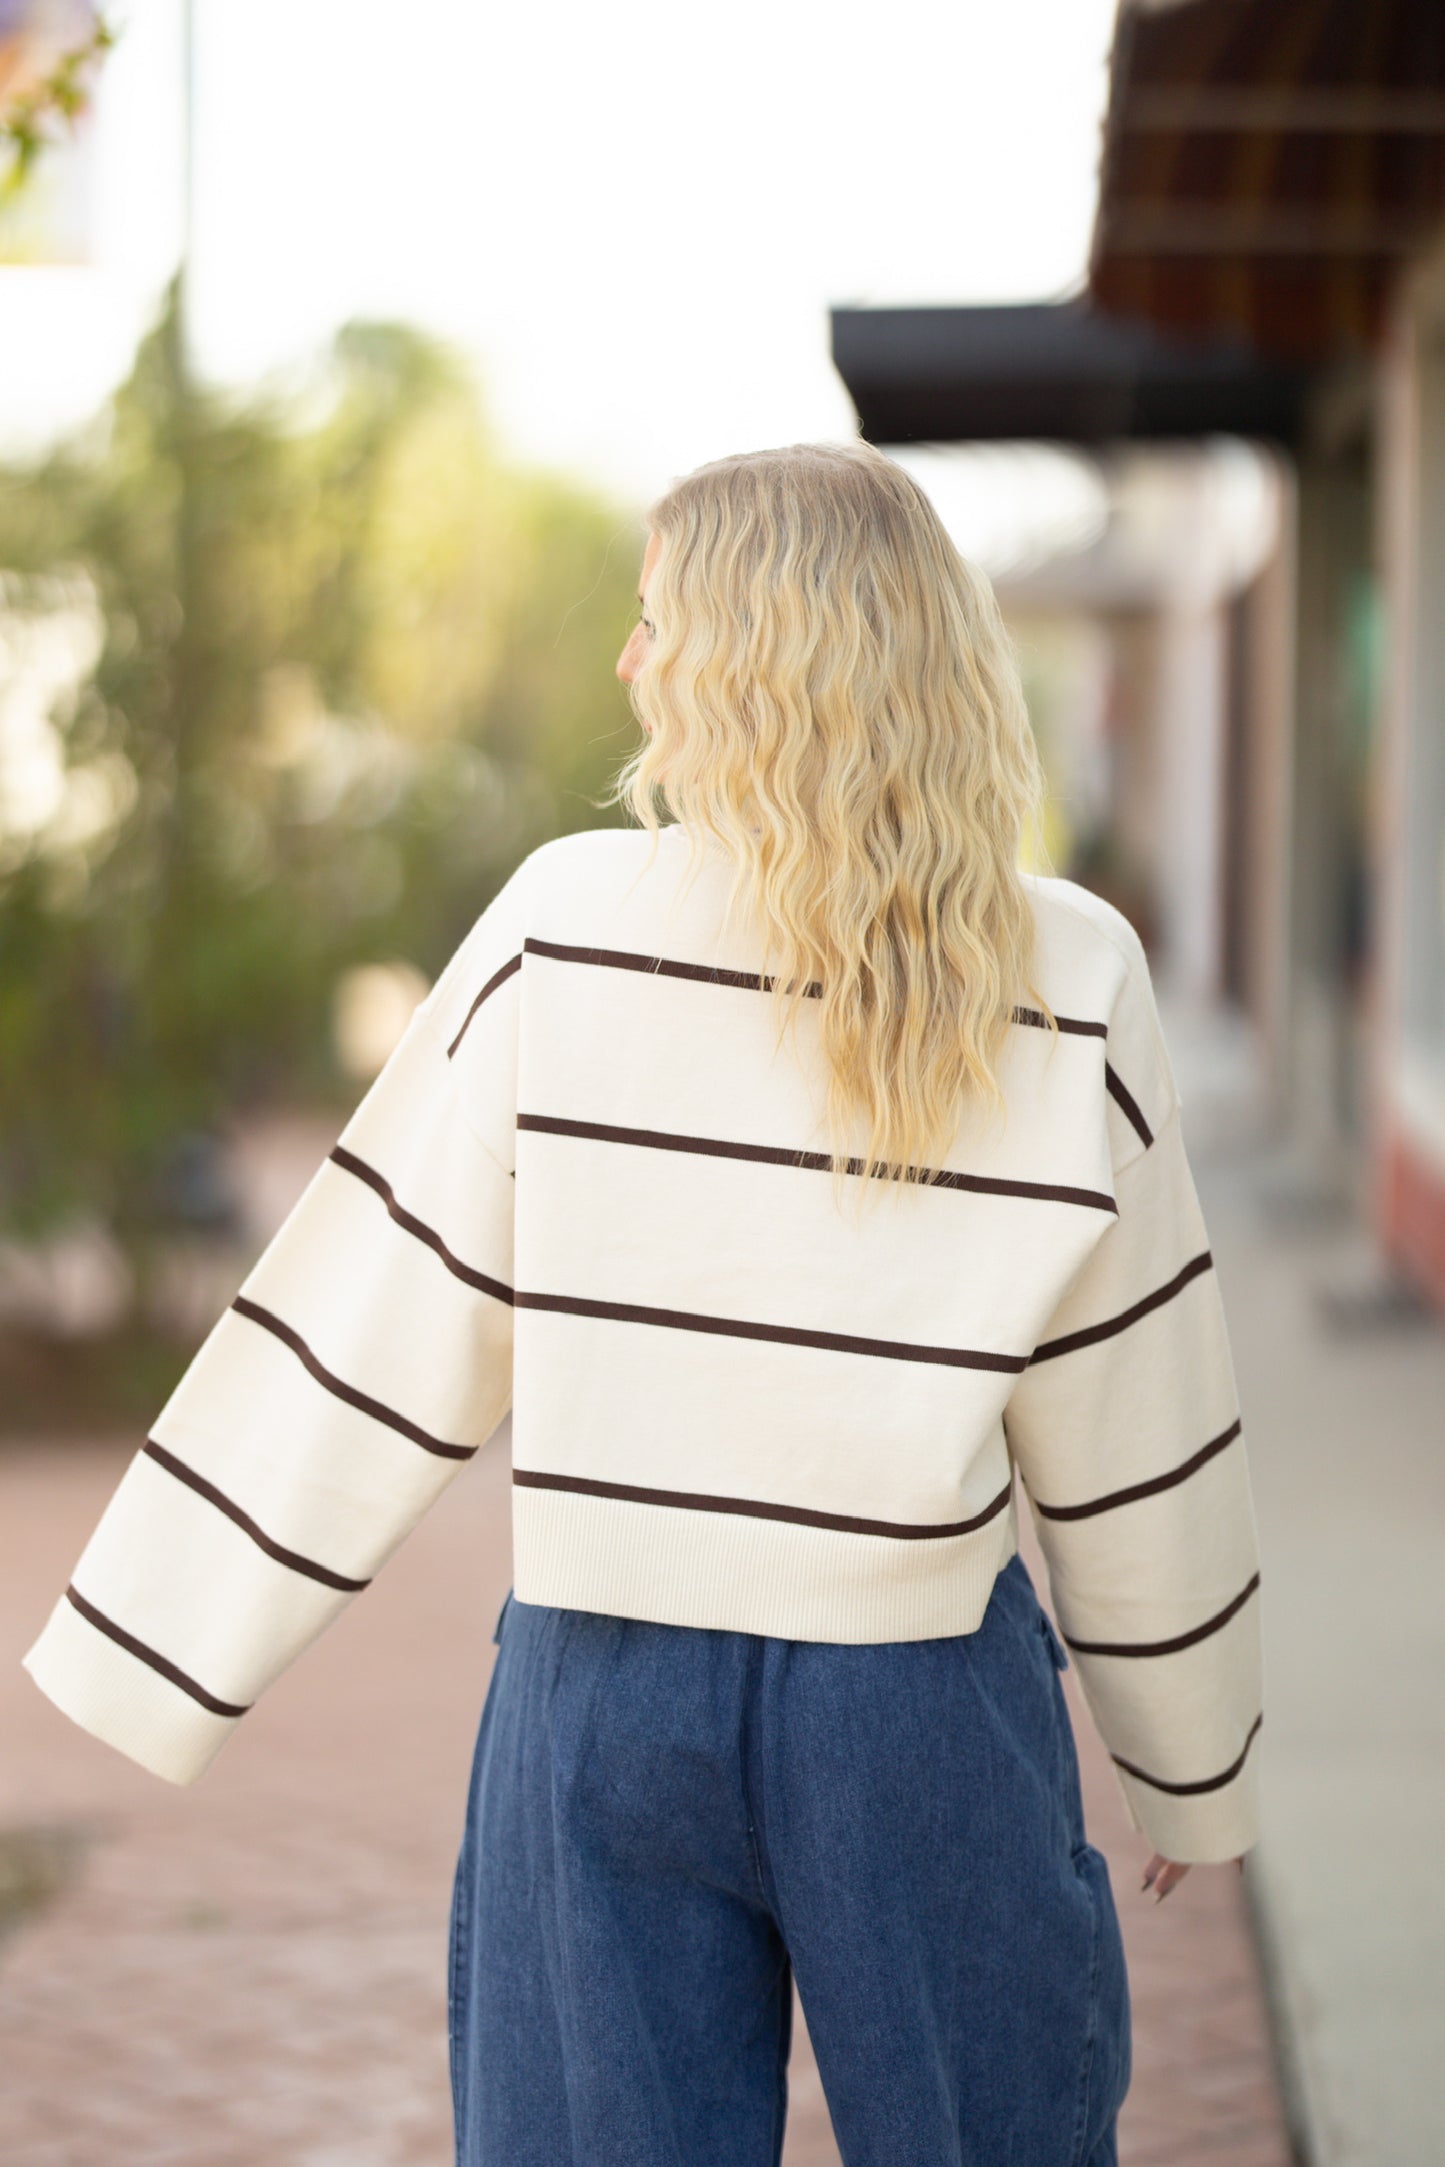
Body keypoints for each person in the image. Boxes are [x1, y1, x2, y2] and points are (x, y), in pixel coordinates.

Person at [22, 440, 1263, 2167]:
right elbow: (1138, 1412)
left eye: (655, 618)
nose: (629, 663)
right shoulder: (1067, 970)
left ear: (763, 650)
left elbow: (382, 1308)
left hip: (601, 1698)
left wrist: (154, 1650)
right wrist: (1189, 1745)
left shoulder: (568, 923)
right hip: (914, 1713)